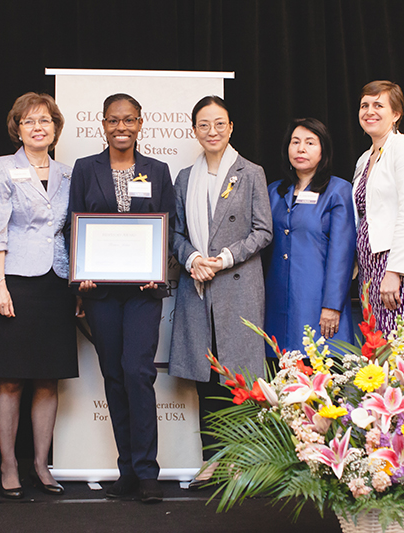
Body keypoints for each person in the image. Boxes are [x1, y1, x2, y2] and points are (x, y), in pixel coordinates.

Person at [68, 93, 175, 503]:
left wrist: (159, 270)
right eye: (113, 121)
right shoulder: (85, 169)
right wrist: (81, 279)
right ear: (103, 124)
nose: (121, 128)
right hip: (101, 293)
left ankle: (148, 472)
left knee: (138, 372)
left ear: (141, 123)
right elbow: (74, 224)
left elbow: (169, 224)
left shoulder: (157, 171)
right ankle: (127, 470)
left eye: (129, 120)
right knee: (114, 375)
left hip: (144, 293)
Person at [168, 95, 273, 489]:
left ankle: (243, 465)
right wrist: (193, 256)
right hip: (197, 288)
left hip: (237, 286)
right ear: (194, 130)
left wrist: (225, 258)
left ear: (231, 127)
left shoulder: (251, 173)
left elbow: (263, 230)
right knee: (207, 379)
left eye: (219, 123)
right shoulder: (184, 178)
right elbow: (174, 234)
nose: (212, 131)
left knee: (240, 380)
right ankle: (211, 461)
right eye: (204, 125)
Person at [0, 92, 78, 499]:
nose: (38, 127)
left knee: (47, 378)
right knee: (10, 379)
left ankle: (41, 463)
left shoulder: (68, 173)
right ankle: (9, 463)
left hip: (57, 280)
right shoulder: (2, 168)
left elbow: (74, 231)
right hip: (17, 279)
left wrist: (76, 283)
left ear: (56, 129)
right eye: (29, 121)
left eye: (45, 121)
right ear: (17, 128)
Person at [263, 118, 356, 356]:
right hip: (277, 306)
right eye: (295, 142)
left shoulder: (338, 190)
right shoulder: (274, 191)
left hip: (318, 306)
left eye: (310, 142)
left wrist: (332, 306)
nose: (301, 149)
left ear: (323, 150)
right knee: (279, 384)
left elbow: (342, 254)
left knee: (321, 380)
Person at [352, 80, 404, 338]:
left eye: (378, 105)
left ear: (396, 114)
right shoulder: (365, 158)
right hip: (371, 269)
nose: (369, 111)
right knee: (380, 356)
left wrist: (394, 271)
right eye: (364, 105)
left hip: (402, 267)